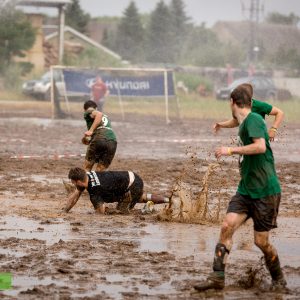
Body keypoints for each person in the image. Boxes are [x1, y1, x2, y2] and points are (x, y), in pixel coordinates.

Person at [194, 84, 286, 292]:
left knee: (261, 242)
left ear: (233, 102)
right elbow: (236, 122)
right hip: (246, 190)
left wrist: (230, 150)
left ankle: (278, 278)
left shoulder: (253, 119)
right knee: (227, 226)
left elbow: (261, 146)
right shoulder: (245, 121)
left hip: (265, 191)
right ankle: (217, 277)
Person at [63, 167, 170, 214]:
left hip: (131, 186)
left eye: (73, 182)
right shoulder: (87, 175)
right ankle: (168, 200)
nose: (73, 184)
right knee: (140, 197)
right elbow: (75, 196)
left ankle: (147, 210)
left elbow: (101, 212)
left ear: (78, 181)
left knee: (121, 211)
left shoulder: (95, 191)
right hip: (133, 177)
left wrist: (96, 213)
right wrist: (65, 211)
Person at [213, 84, 284, 142]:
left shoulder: (259, 105)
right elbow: (235, 121)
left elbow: (279, 112)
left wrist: (273, 129)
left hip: (257, 140)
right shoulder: (237, 107)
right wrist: (220, 125)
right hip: (245, 139)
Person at [82, 100, 117, 172]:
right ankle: (98, 182)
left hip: (100, 138)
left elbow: (99, 114)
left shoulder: (89, 110)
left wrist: (91, 130)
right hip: (112, 141)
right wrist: (86, 138)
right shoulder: (105, 117)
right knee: (100, 171)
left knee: (87, 167)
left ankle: (84, 183)